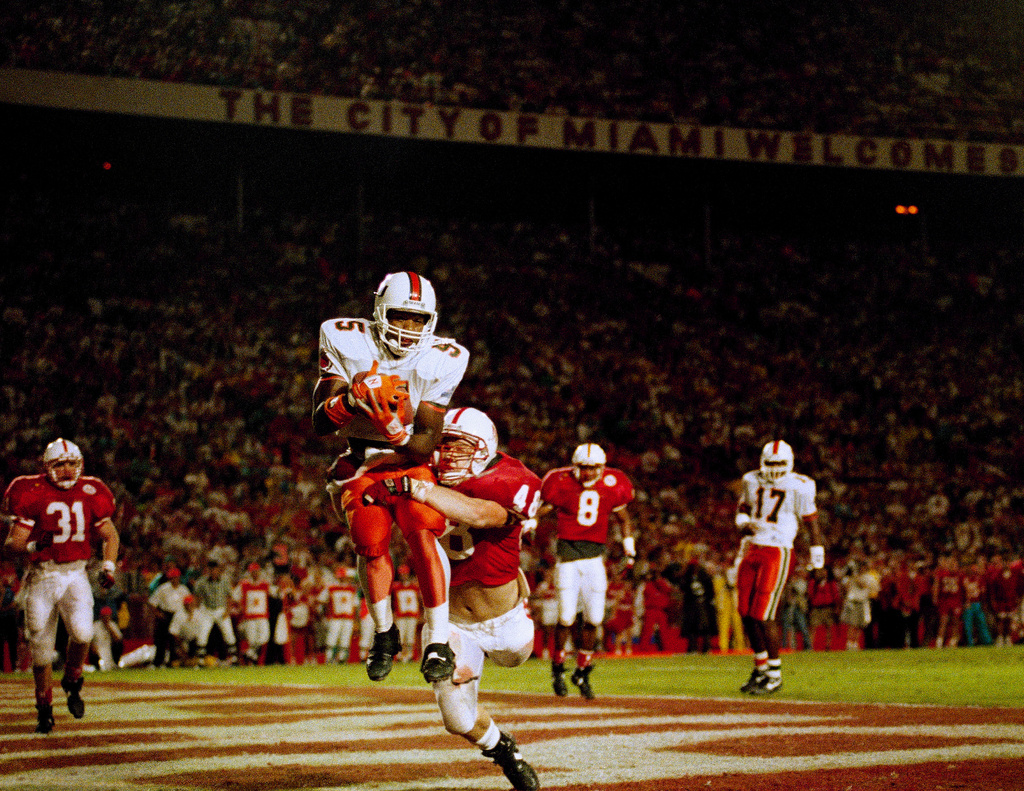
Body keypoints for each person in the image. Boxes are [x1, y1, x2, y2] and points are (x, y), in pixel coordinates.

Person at [362, 406, 541, 790]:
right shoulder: (418, 474)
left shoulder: (511, 478)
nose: (448, 455)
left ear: (484, 447)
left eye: (459, 447)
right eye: (442, 446)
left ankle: (520, 601)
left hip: (503, 617)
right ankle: (502, 748)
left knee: (515, 653)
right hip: (453, 622)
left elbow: (481, 514)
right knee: (457, 720)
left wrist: (421, 489)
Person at [315, 271, 469, 683]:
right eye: (402, 316)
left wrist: (395, 430)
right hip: (363, 460)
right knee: (369, 543)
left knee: (423, 528)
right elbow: (319, 421)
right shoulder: (344, 335)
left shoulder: (445, 356)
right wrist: (350, 399)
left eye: (419, 320)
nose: (410, 328)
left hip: (409, 458)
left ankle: (438, 640)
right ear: (381, 310)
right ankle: (385, 634)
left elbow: (427, 439)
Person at [2, 439, 120, 733]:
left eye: (72, 463)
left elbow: (110, 535)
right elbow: (11, 543)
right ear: (47, 467)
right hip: (42, 576)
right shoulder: (31, 491)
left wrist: (108, 566)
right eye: (60, 464)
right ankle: (44, 708)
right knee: (41, 653)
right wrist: (32, 546)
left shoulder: (92, 490)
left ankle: (72, 677)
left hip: (76, 573)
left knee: (83, 634)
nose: (67, 470)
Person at [537, 442, 635, 699]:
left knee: (594, 618)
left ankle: (582, 670)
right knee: (567, 617)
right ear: (575, 466)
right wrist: (529, 520)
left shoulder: (614, 483)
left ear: (601, 468)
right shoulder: (560, 481)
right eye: (584, 468)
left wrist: (629, 549)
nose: (589, 473)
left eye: (593, 468)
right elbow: (545, 507)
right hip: (568, 558)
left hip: (594, 558)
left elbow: (623, 518)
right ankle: (558, 669)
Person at [734, 439, 823, 694]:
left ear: (790, 463)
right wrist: (743, 521)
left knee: (764, 614)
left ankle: (774, 674)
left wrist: (818, 561)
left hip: (778, 550)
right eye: (770, 463)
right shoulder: (751, 479)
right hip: (753, 547)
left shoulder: (801, 485)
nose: (774, 468)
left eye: (779, 463)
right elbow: (744, 506)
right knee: (745, 612)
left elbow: (812, 524)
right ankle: (761, 668)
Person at [191, 559, 238, 665]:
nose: (213, 571)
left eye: (215, 569)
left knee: (228, 633)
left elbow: (229, 597)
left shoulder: (224, 580)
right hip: (207, 610)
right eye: (211, 569)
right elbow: (197, 597)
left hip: (221, 609)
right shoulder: (202, 581)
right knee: (203, 634)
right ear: (208, 570)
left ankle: (234, 659)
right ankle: (201, 660)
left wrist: (227, 610)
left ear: (218, 570)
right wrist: (196, 610)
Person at [148, 567, 190, 667]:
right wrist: (158, 613)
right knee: (161, 640)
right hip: (165, 614)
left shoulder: (183, 589)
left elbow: (189, 603)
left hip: (178, 616)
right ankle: (158, 662)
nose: (174, 579)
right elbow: (152, 602)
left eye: (176, 577)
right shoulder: (163, 588)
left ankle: (173, 662)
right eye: (172, 578)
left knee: (174, 640)